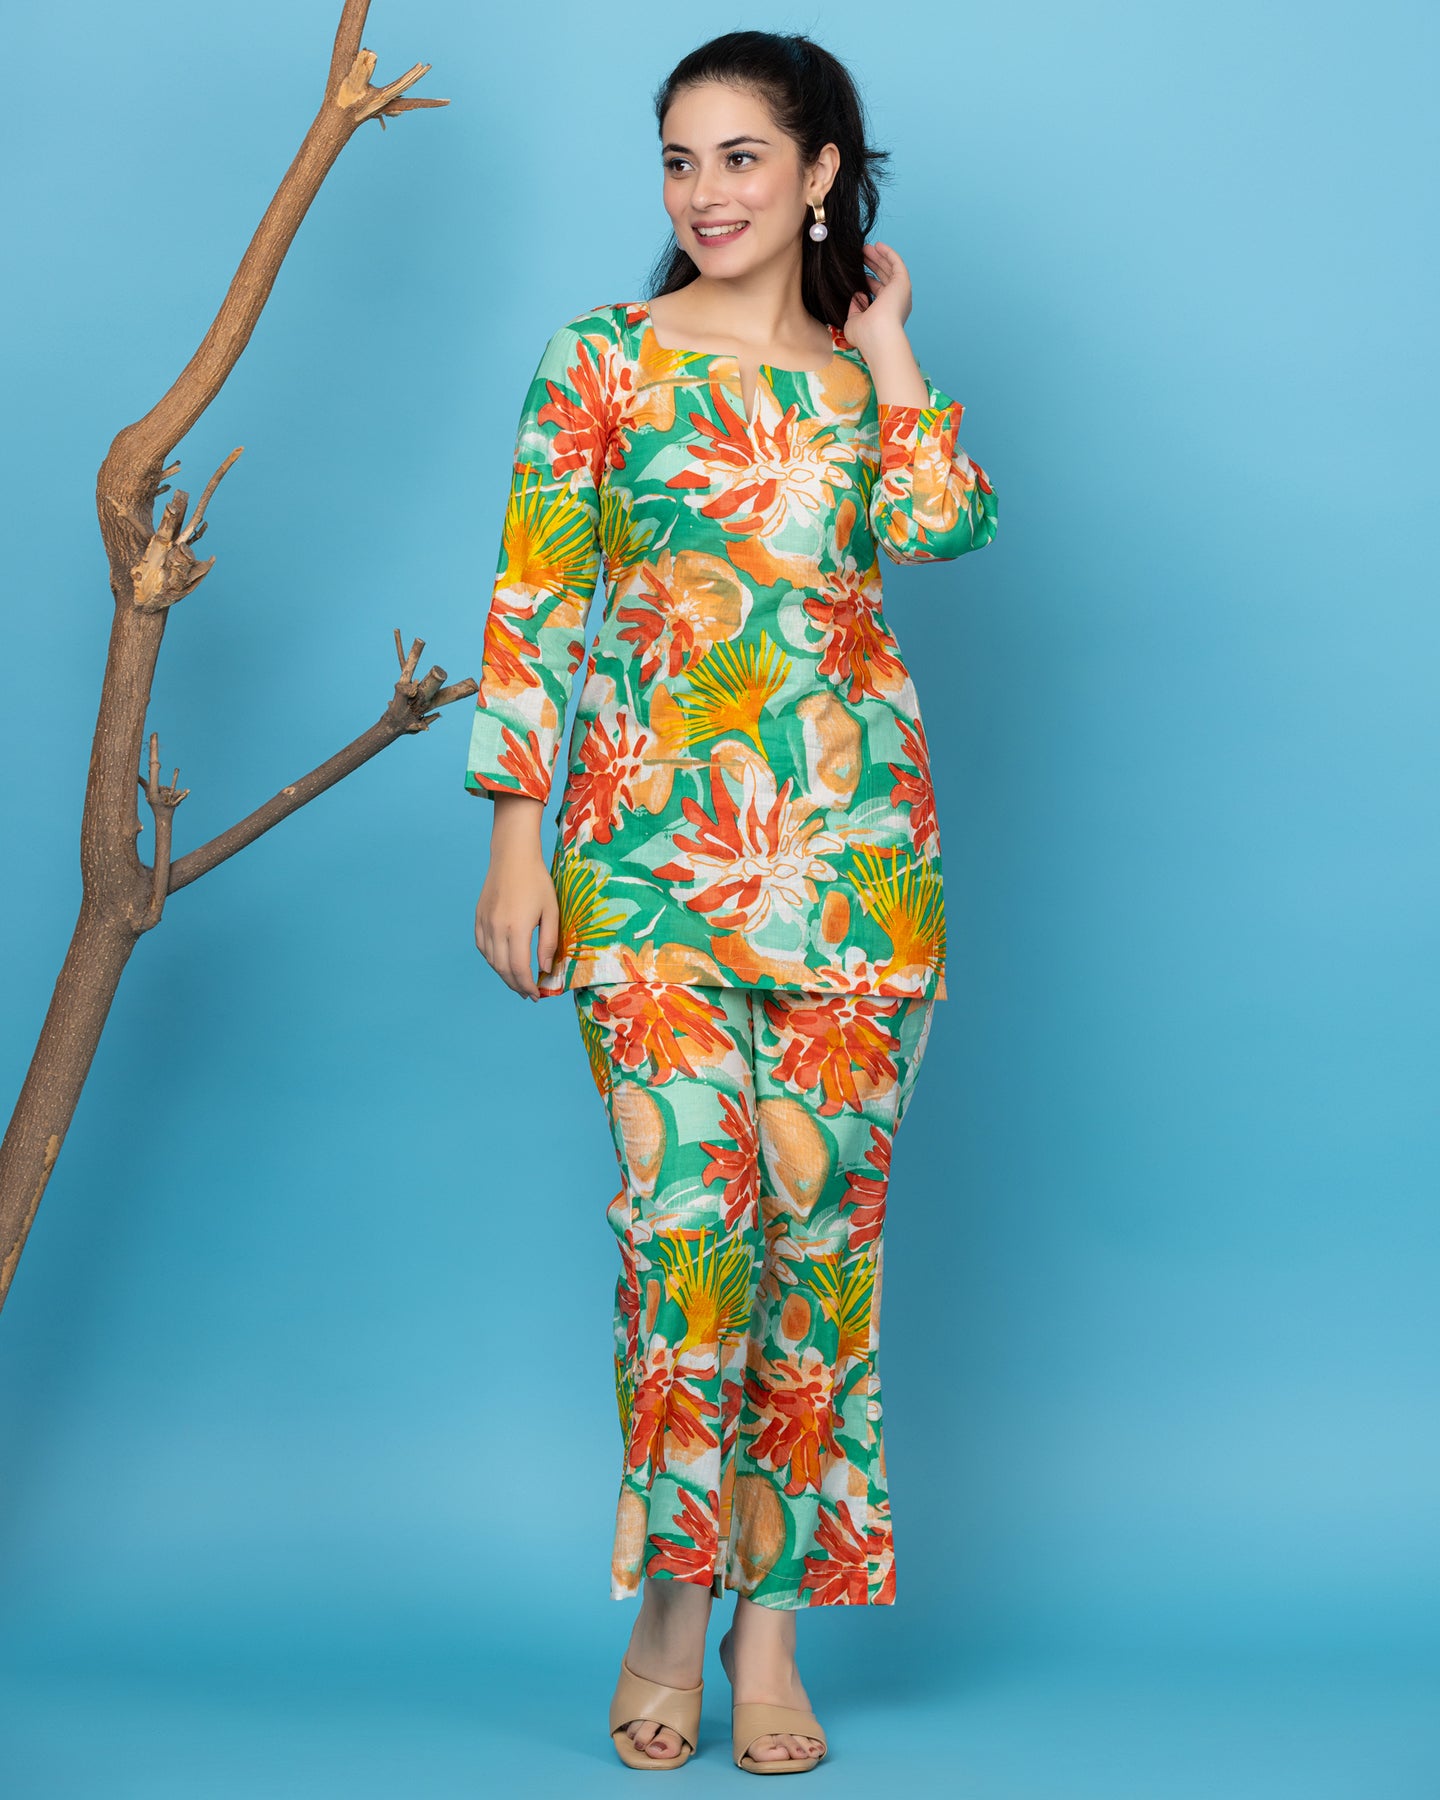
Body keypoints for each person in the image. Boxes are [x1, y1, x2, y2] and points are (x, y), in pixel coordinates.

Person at [466, 28, 997, 1775]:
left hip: (860, 879)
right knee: (684, 1239)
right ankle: (668, 1612)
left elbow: (947, 530)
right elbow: (537, 599)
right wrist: (517, 839)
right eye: (681, 161)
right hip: (644, 875)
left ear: (822, 171)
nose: (706, 193)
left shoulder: (859, 384)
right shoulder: (603, 360)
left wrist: (892, 343)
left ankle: (773, 1640)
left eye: (743, 157)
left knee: (818, 1263)